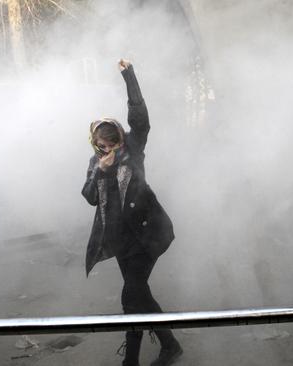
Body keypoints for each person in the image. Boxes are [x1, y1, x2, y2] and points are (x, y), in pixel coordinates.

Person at [82, 59, 183, 366]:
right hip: (121, 242)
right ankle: (170, 344)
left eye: (111, 143)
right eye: (101, 145)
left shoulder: (132, 149)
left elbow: (140, 119)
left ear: (119, 140)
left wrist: (129, 75)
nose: (106, 149)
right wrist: (100, 171)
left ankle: (132, 362)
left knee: (131, 297)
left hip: (147, 237)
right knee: (141, 295)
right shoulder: (96, 163)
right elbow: (88, 197)